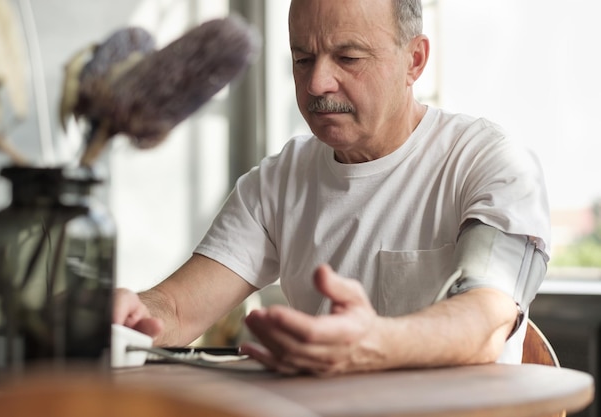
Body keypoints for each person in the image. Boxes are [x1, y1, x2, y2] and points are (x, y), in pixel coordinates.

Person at [114, 0, 550, 376]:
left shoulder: (489, 163)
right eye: (303, 59)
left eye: (348, 58)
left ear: (414, 60)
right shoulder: (278, 181)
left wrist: (375, 342)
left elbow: (487, 321)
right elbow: (176, 309)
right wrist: (131, 315)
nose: (317, 83)